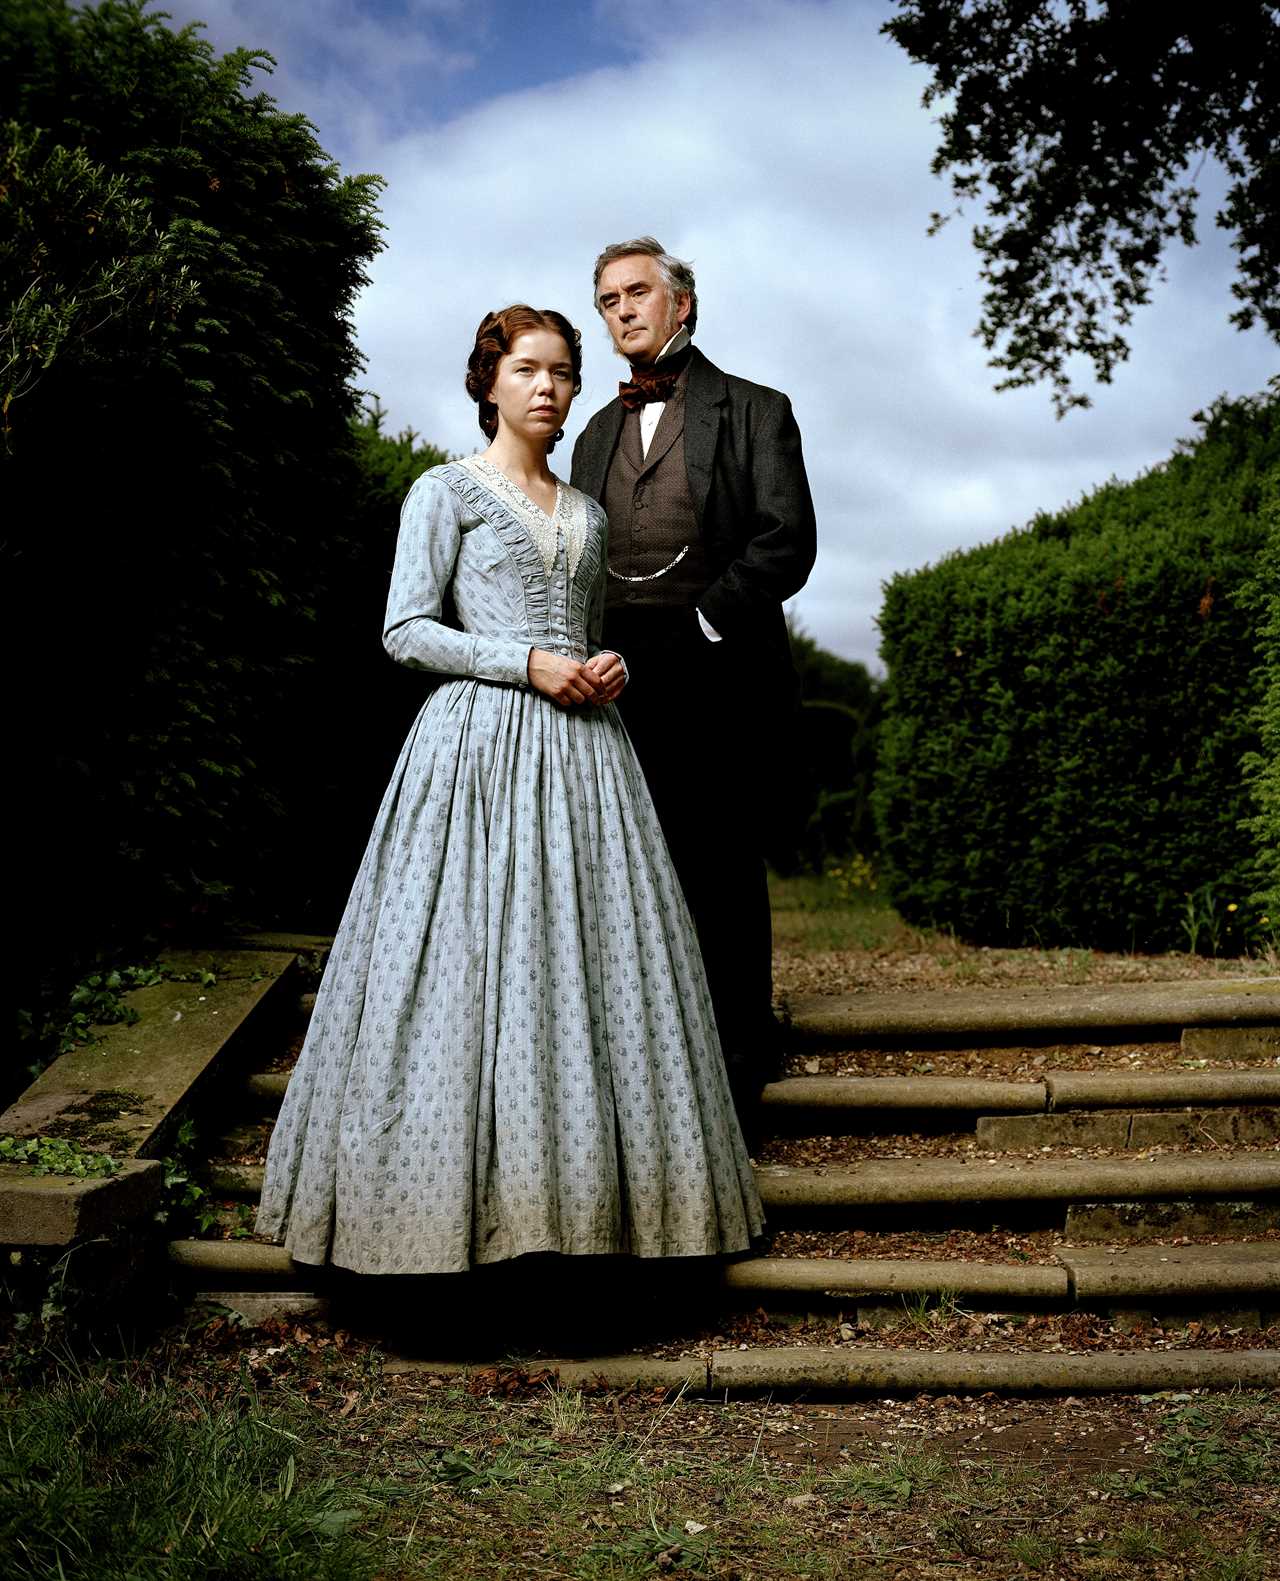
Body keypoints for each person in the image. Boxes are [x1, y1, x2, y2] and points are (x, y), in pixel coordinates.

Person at [256, 305, 764, 1277]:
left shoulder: (586, 512)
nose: (546, 387)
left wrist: (602, 664)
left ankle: (595, 1222)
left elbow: (575, 629)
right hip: (473, 760)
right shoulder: (440, 493)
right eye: (525, 369)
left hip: (586, 763)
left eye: (563, 373)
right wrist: (522, 662)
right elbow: (404, 630)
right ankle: (423, 1228)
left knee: (594, 969)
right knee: (456, 969)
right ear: (488, 381)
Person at [571, 238, 816, 1143]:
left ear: (683, 306)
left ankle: (742, 1066)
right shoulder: (591, 434)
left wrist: (705, 625)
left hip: (720, 670)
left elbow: (785, 540)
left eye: (637, 293)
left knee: (717, 865)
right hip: (612, 682)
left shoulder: (756, 410)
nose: (622, 310)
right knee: (626, 870)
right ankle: (643, 1061)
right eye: (606, 300)